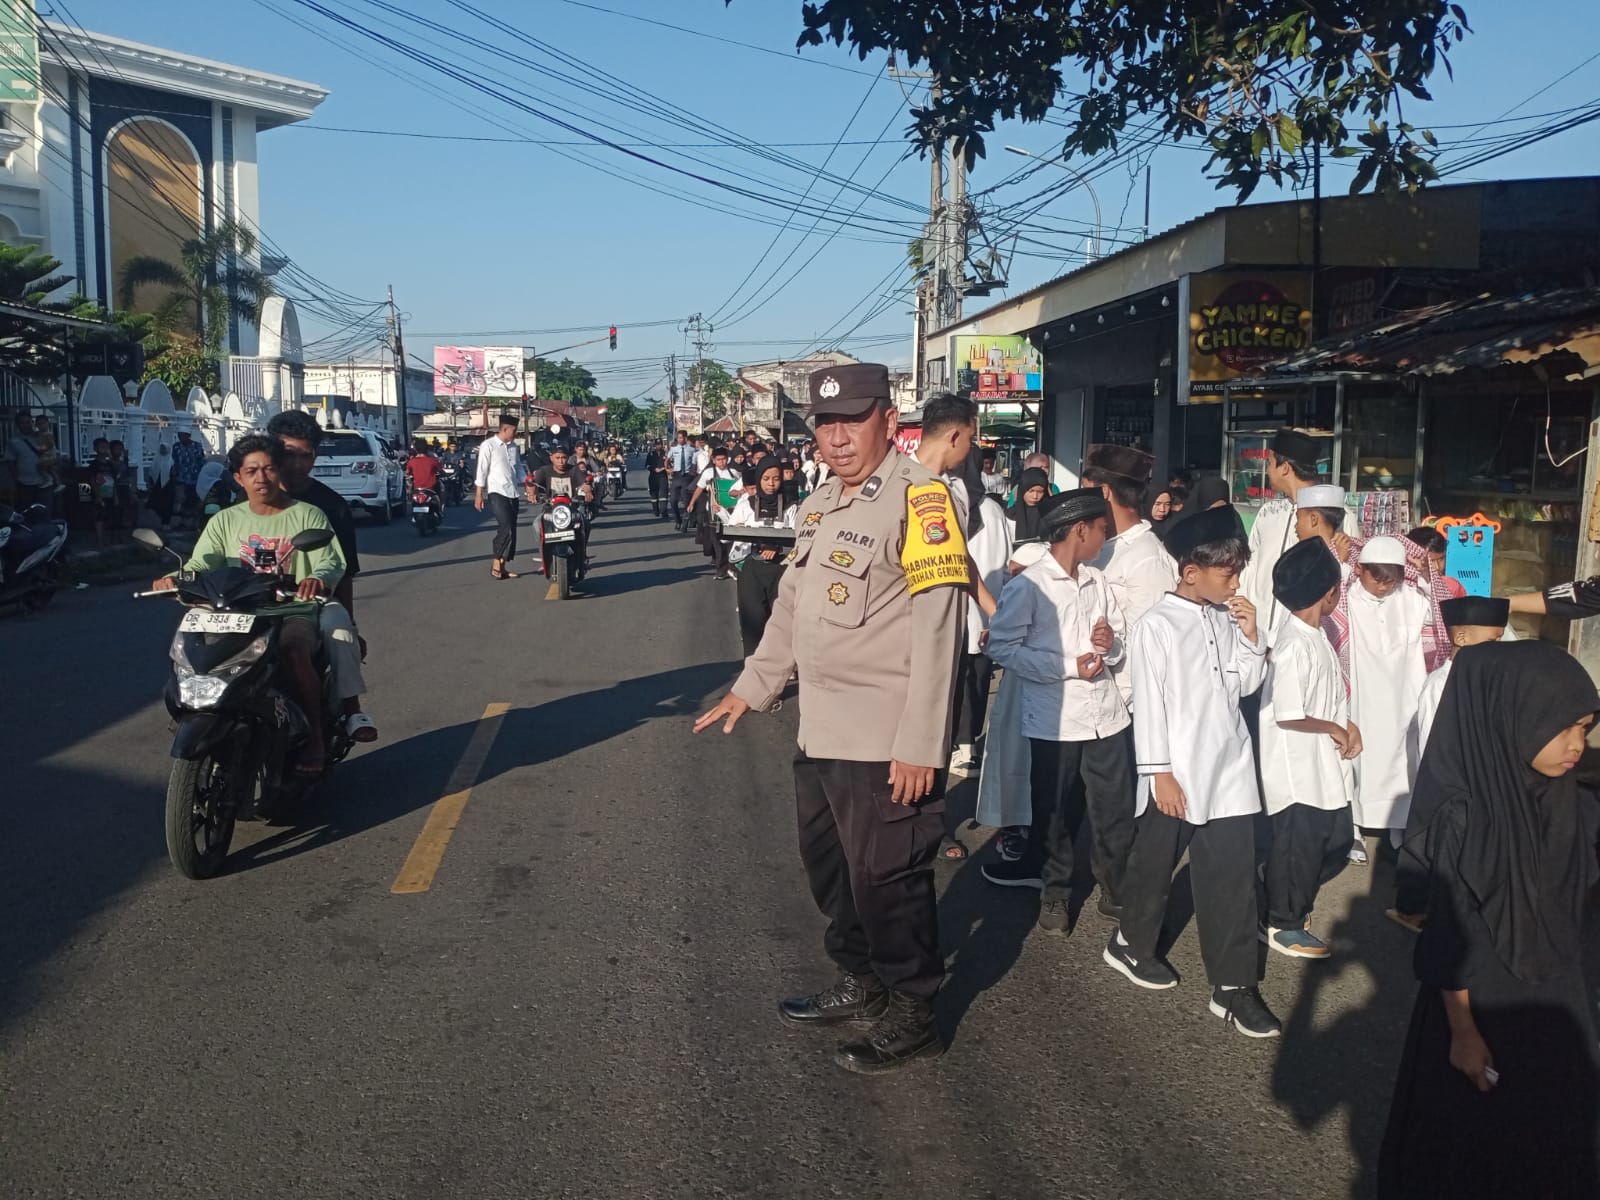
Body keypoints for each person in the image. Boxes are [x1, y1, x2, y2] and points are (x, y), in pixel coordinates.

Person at [693, 362, 967, 1075]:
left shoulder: (923, 501)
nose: (837, 437)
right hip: (821, 729)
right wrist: (752, 686)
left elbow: (941, 628)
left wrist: (922, 743)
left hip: (885, 735)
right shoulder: (819, 503)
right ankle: (862, 978)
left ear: (888, 420)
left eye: (852, 420)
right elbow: (791, 608)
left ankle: (914, 1011)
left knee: (888, 879)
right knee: (831, 868)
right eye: (825, 424)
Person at [1379, 642, 1600, 1199]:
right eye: (1563, 728)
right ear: (1511, 718)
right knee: (1470, 1145)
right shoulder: (1467, 818)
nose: (1577, 745)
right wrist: (1463, 1034)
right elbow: (1449, 941)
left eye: (1585, 728)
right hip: (1482, 1010)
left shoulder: (1574, 805)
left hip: (1558, 1001)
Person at [1105, 504, 1281, 1038]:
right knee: (1154, 866)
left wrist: (1251, 638)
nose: (1236, 584)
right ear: (1190, 572)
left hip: (1228, 766)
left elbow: (1243, 685)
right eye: (1228, 574)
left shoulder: (1226, 618)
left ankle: (1233, 986)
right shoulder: (1156, 625)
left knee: (1233, 878)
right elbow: (1150, 705)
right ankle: (1130, 944)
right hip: (1176, 770)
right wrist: (1159, 771)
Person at [982, 488, 1134, 930]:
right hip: (1055, 717)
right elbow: (1003, 647)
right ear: (1080, 530)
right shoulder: (1030, 585)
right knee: (1054, 809)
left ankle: (1116, 889)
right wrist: (1068, 667)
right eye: (1101, 529)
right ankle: (1055, 893)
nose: (1105, 538)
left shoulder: (1096, 581)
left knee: (1115, 808)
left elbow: (1119, 639)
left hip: (1106, 714)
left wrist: (1111, 644)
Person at [151, 435, 347, 773]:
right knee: (194, 655)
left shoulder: (308, 515)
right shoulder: (224, 521)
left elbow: (329, 561)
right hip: (233, 613)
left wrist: (317, 579)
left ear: (280, 471)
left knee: (293, 651)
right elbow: (202, 562)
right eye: (252, 471)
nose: (261, 478)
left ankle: (315, 738)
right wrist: (173, 578)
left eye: (269, 469)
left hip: (289, 611)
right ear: (238, 478)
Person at [1259, 537, 1358, 960]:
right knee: (1300, 849)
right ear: (1329, 593)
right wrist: (1333, 726)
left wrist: (1347, 725)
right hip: (1295, 766)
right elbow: (1288, 714)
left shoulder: (1315, 637)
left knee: (1336, 840)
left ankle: (1277, 893)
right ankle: (1283, 923)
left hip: (1320, 761)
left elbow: (1327, 696)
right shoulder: (1294, 644)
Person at [1388, 595, 1511, 931]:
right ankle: (1410, 910)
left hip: (1472, 783)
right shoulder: (1439, 685)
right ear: (1462, 638)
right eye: (1493, 641)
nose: (1497, 649)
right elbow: (1432, 742)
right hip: (1443, 784)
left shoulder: (1486, 681)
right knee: (1428, 847)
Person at [267, 410, 378, 745]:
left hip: (312, 603)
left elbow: (344, 572)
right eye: (289, 454)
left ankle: (351, 709)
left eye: (306, 455)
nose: (297, 464)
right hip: (250, 601)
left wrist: (352, 625)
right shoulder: (245, 499)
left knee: (338, 634)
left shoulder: (330, 506)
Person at [1325, 536, 1432, 865]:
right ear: (1360, 569)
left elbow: (1436, 613)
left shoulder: (1410, 597)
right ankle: (1354, 828)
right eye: (1377, 578)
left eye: (1391, 579)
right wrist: (1342, 565)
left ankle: (1398, 825)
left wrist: (1425, 576)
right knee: (1356, 758)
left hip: (1403, 694)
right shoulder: (1348, 598)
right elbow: (1328, 604)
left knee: (1403, 758)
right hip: (1361, 693)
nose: (1384, 587)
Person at [1238, 428, 1360, 639]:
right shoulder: (1268, 512)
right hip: (1258, 635)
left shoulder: (1339, 516)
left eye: (1270, 464)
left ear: (1285, 468)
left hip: (1304, 637)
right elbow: (1251, 568)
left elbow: (1349, 582)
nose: (1267, 471)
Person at [951, 446, 1013, 771]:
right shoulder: (994, 509)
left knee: (960, 679)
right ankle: (971, 742)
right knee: (979, 677)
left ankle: (963, 747)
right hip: (992, 607)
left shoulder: (956, 505)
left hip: (962, 606)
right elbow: (1006, 559)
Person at [727, 456, 796, 656]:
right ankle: (753, 666)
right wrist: (738, 529)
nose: (771, 484)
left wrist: (778, 546)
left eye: (776, 479)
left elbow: (800, 538)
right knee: (753, 622)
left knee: (782, 622)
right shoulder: (746, 505)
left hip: (781, 571)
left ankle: (782, 665)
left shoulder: (791, 506)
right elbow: (728, 535)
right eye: (766, 479)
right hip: (752, 570)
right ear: (759, 479)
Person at [474, 413, 529, 580]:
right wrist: (479, 494)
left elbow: (518, 468)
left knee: (512, 530)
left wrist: (527, 481)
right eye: (514, 431)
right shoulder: (488, 445)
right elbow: (482, 470)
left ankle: (503, 566)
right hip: (496, 491)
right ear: (505, 429)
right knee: (505, 527)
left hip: (513, 492)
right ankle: (496, 563)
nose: (516, 434)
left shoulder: (514, 447)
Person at [531, 444, 593, 577]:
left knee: (586, 523)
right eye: (557, 457)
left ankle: (582, 555)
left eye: (564, 457)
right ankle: (544, 557)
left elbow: (585, 483)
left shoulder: (574, 470)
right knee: (537, 525)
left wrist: (587, 490)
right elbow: (533, 483)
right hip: (549, 511)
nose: (561, 461)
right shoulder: (544, 471)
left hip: (572, 509)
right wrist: (532, 493)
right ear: (551, 458)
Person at [689, 444, 740, 580]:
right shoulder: (708, 473)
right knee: (717, 541)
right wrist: (692, 503)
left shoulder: (734, 473)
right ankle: (721, 569)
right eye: (718, 460)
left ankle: (732, 567)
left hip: (731, 512)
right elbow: (699, 488)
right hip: (713, 512)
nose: (721, 462)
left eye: (724, 459)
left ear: (728, 459)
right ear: (713, 460)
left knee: (731, 540)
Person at [3, 413, 48, 509]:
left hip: (45, 484)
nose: (25, 425)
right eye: (22, 423)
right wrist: (16, 480)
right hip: (24, 485)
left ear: (32, 422)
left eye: (28, 422)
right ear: (17, 425)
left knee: (45, 512)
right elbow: (10, 462)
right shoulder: (13, 442)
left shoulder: (42, 436)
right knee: (26, 512)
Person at [170, 429, 204, 530]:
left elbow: (201, 460)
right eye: (179, 436)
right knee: (180, 499)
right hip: (180, 478)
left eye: (183, 435)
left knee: (193, 500)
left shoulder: (197, 446)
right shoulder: (176, 446)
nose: (181, 438)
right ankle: (179, 522)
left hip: (194, 478)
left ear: (188, 435)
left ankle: (192, 523)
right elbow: (174, 460)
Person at [1007, 466, 1049, 543]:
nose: (1035, 496)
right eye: (1031, 491)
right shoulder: (1010, 515)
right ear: (1023, 490)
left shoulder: (1049, 514)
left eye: (1040, 492)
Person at [667, 430, 697, 531]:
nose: (680, 440)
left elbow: (695, 463)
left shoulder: (692, 450)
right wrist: (668, 469)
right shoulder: (674, 449)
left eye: (681, 438)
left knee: (686, 501)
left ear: (685, 438)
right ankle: (678, 520)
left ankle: (685, 522)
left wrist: (693, 472)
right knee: (673, 500)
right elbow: (667, 460)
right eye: (678, 438)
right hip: (676, 476)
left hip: (687, 477)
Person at [147, 441, 174, 529]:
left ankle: (166, 523)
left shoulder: (171, 460)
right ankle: (161, 520)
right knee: (155, 503)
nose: (163, 450)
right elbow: (152, 472)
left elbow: (173, 473)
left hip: (168, 486)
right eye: (161, 448)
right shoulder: (157, 459)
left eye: (164, 448)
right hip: (157, 486)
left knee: (167, 505)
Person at [645, 439, 669, 517]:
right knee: (654, 495)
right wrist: (654, 469)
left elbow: (670, 464)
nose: (659, 446)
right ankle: (656, 510)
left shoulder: (666, 454)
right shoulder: (651, 454)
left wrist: (667, 468)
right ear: (655, 445)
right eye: (657, 444)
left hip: (663, 476)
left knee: (663, 494)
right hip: (653, 476)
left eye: (660, 444)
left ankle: (664, 511)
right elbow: (647, 465)